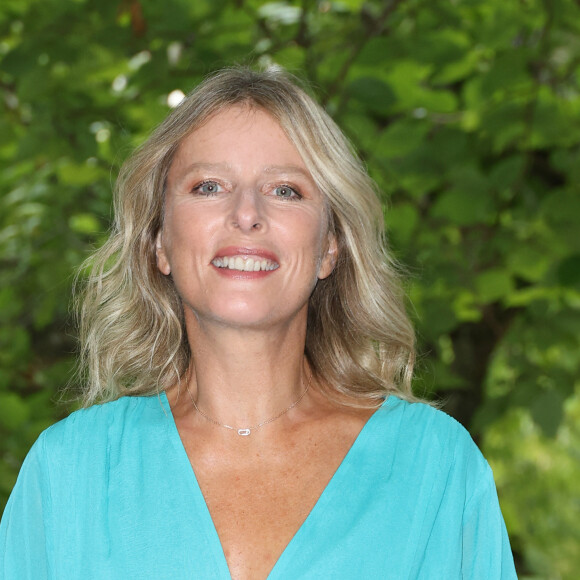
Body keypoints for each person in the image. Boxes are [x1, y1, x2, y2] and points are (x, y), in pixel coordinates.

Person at [0, 67, 517, 579]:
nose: (246, 213)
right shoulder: (69, 471)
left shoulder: (435, 468)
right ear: (159, 242)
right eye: (209, 185)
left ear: (329, 248)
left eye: (285, 190)